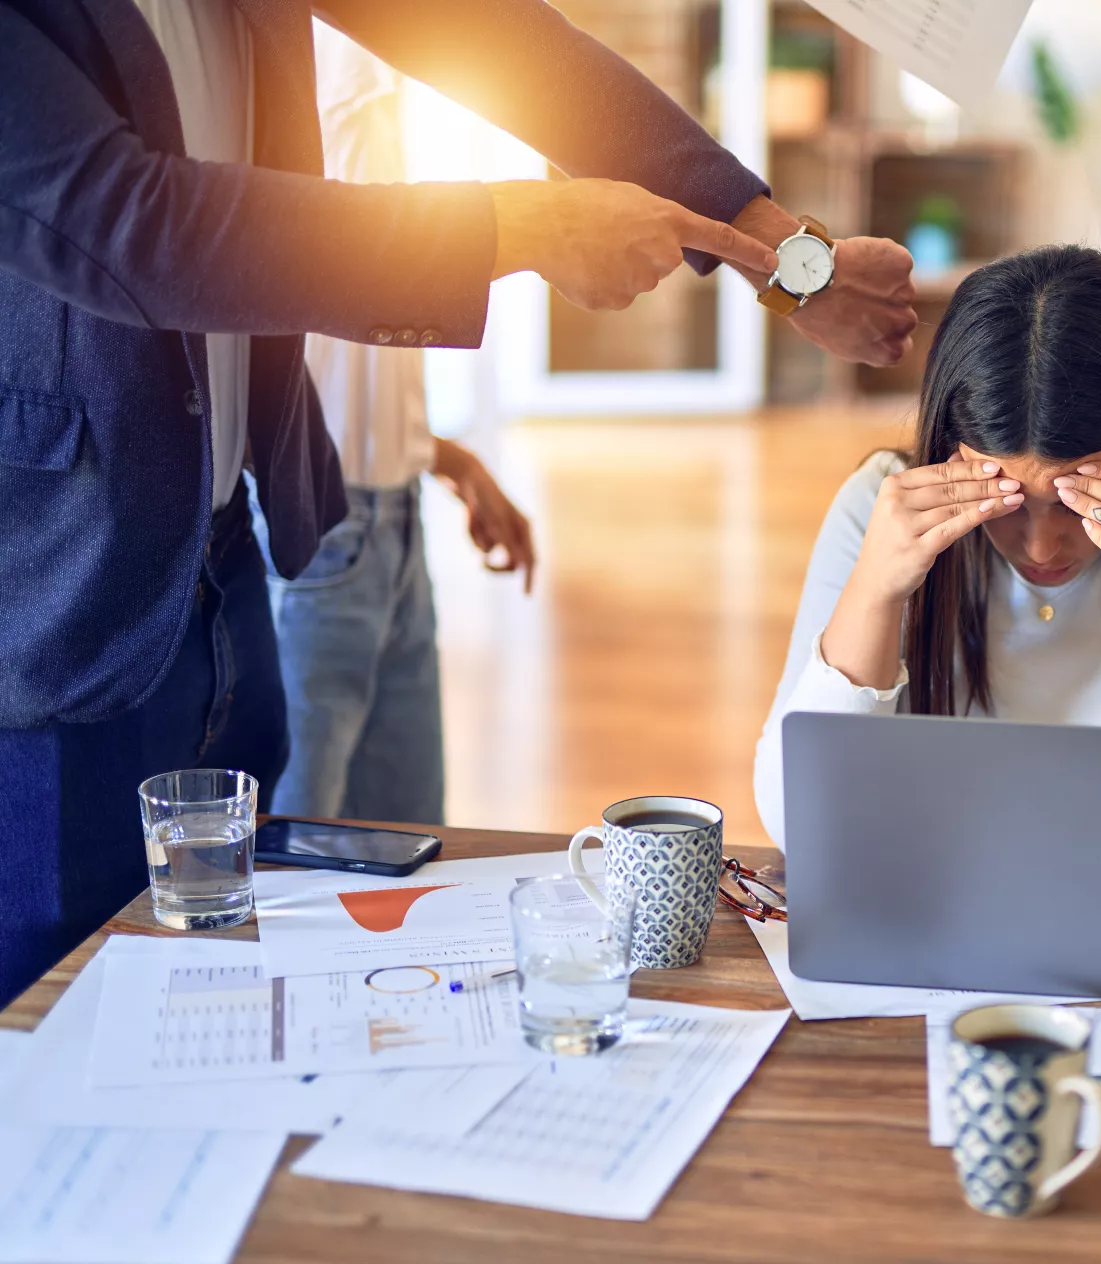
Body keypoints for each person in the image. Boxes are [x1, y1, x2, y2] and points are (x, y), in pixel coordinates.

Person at [0, 0, 916, 1004]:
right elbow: (126, 222)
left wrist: (788, 257)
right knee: (50, 1014)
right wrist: (513, 228)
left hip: (228, 554)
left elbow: (490, 34)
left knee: (225, 987)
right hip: (56, 591)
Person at [753, 246, 1101, 880]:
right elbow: (798, 822)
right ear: (947, 451)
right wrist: (875, 592)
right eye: (1006, 499)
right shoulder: (879, 510)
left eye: (1078, 500)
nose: (1042, 548)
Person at [261, 23, 538, 825]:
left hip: (397, 523)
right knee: (299, 848)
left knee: (409, 840)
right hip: (322, 531)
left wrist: (444, 458)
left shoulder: (381, 114)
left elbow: (360, 357)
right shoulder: (323, 84)